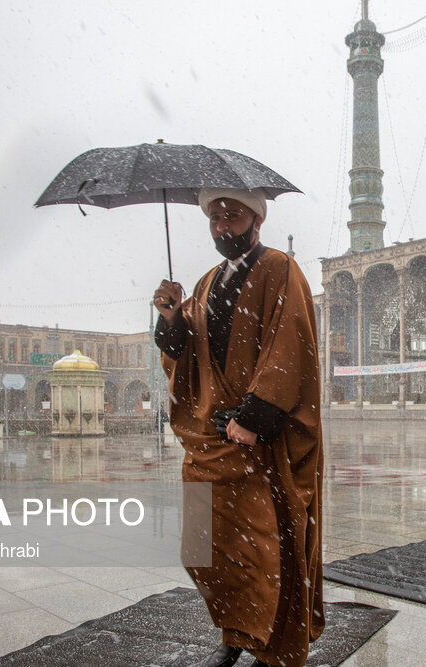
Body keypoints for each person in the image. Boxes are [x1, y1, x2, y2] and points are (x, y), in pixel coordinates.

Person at [153, 188, 324, 667]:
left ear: (257, 219)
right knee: (211, 548)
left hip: (258, 444)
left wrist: (253, 419)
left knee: (266, 551)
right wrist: (170, 318)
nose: (223, 226)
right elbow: (182, 359)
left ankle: (271, 645)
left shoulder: (278, 269)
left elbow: (291, 346)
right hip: (212, 442)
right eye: (215, 218)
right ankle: (234, 633)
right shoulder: (206, 283)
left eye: (232, 216)